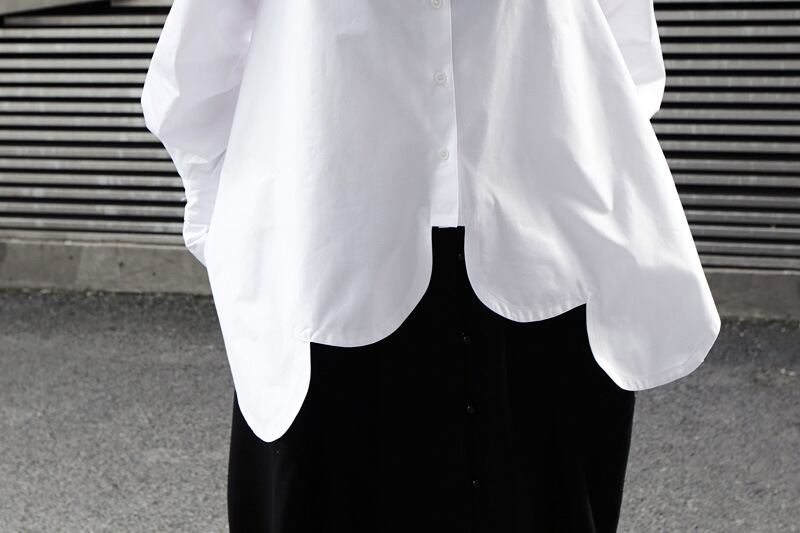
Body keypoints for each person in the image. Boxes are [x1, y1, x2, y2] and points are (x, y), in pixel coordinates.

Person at [141, 1, 721, 531]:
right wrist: (245, 236)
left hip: (540, 253)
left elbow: (622, 52)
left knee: (544, 492)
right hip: (337, 257)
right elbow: (192, 82)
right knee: (328, 492)